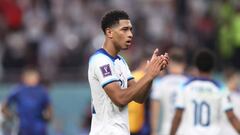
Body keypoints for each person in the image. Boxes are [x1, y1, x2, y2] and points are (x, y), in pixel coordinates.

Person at [88, 10, 169, 135]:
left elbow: (139, 97)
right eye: (124, 29)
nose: (130, 34)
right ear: (109, 32)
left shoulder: (121, 62)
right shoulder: (100, 60)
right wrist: (148, 75)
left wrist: (151, 74)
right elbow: (120, 98)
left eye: (130, 29)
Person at [170, 49, 240, 135]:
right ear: (213, 67)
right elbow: (231, 117)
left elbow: (178, 115)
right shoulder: (220, 88)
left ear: (196, 66)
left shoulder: (185, 86)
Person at [2, 68, 52, 135]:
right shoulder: (18, 90)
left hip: (38, 127)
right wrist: (11, 116)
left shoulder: (42, 91)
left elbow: (49, 109)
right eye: (31, 77)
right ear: (25, 78)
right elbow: (4, 106)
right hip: (23, 127)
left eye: (34, 77)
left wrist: (47, 117)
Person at [150, 47, 188, 135]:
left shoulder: (160, 83)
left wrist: (154, 131)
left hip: (166, 129)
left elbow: (155, 109)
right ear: (184, 64)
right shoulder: (189, 84)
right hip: (185, 130)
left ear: (169, 64)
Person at [220, 68, 240, 135]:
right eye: (235, 80)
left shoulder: (218, 95)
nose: (237, 83)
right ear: (230, 80)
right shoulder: (235, 97)